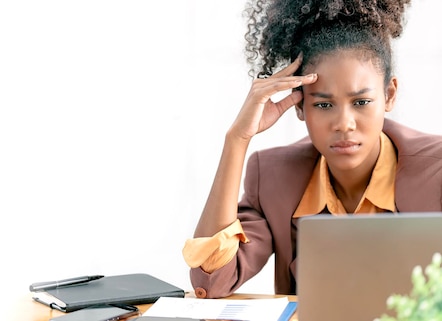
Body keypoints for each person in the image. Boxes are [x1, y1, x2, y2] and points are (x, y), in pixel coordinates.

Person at [182, 0, 442, 299]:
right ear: (299, 105)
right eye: (323, 104)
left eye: (361, 102)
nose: (344, 124)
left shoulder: (436, 171)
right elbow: (212, 282)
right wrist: (237, 140)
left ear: (389, 95)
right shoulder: (272, 178)